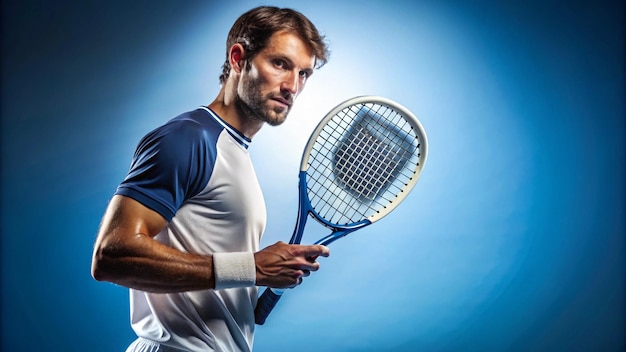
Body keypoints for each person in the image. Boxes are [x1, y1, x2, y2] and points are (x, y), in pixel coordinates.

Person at [91, 6, 331, 352]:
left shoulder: (235, 150)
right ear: (238, 59)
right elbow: (111, 255)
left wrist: (265, 277)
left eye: (304, 74)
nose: (292, 86)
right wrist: (251, 267)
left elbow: (226, 279)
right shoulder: (188, 139)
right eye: (280, 64)